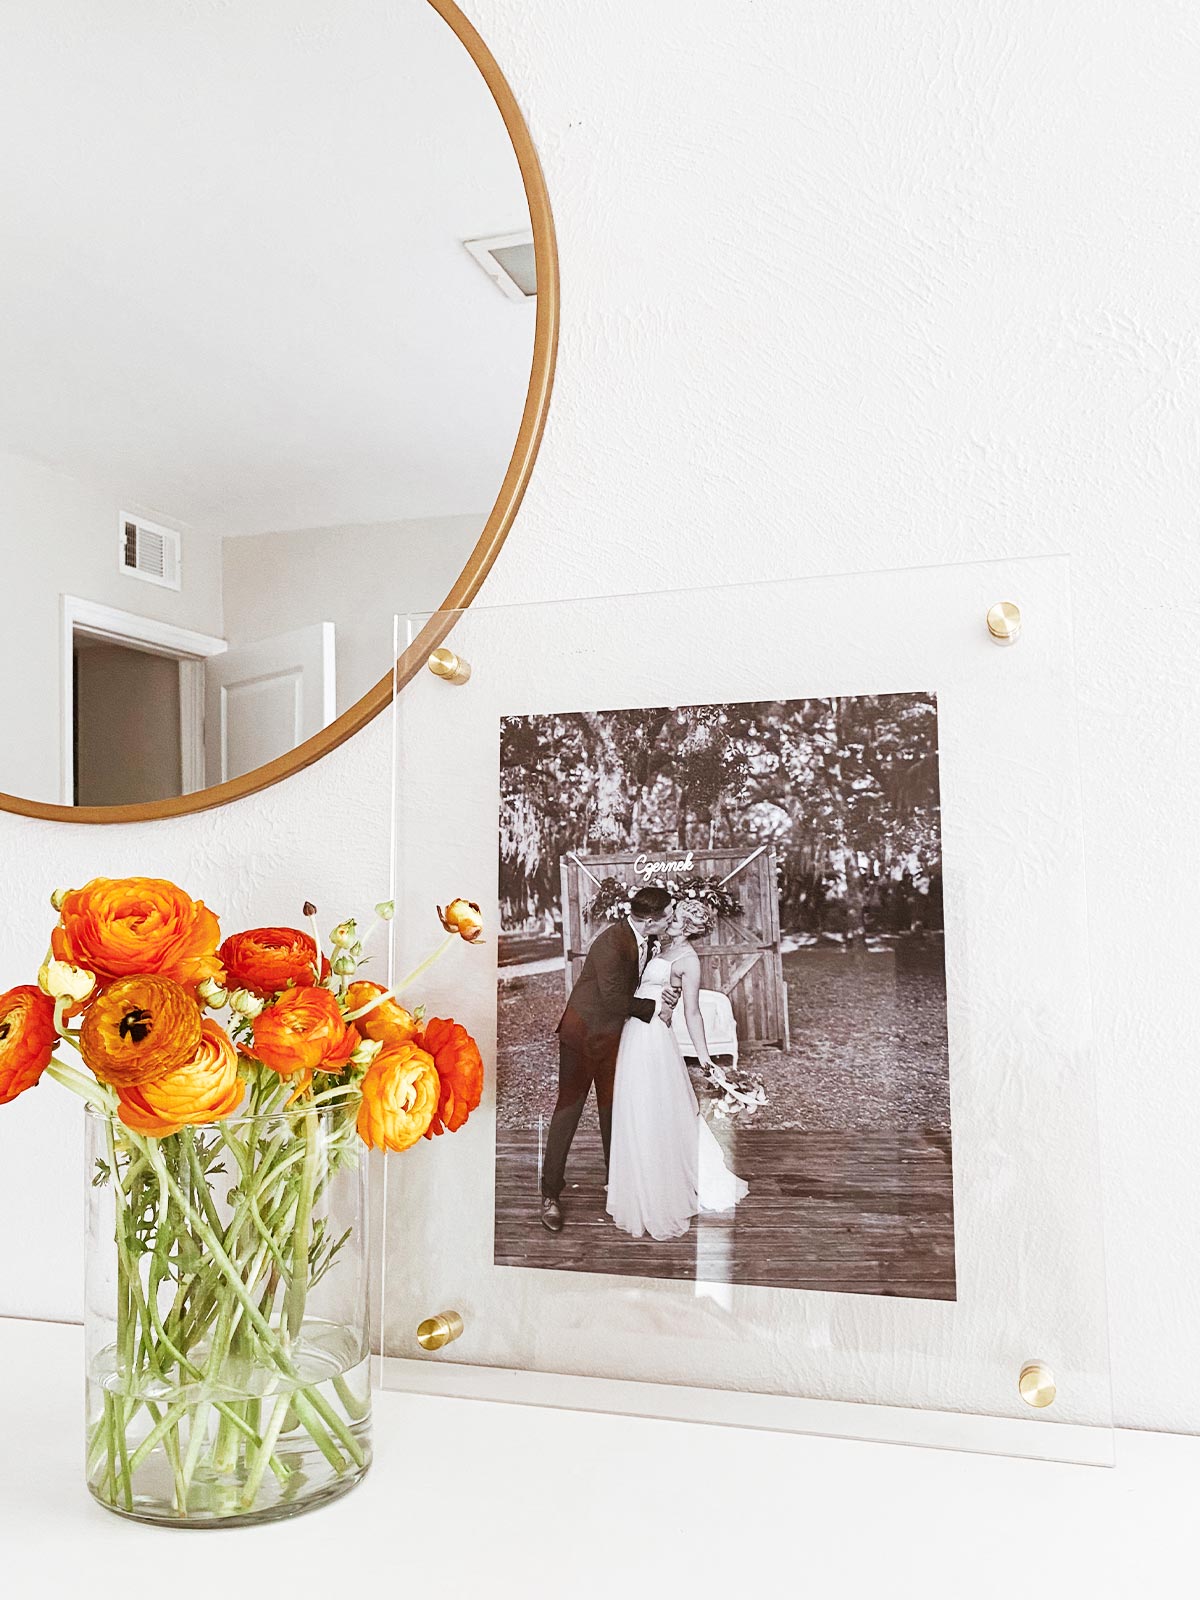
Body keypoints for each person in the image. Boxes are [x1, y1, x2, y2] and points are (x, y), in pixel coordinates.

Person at [606, 898, 748, 1241]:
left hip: (653, 1038)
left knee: (656, 1108)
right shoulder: (659, 947)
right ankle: (638, 1180)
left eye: (675, 917)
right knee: (636, 1107)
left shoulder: (689, 961)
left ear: (687, 926)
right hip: (634, 1032)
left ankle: (659, 1189)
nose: (667, 919)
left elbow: (693, 1012)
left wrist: (704, 1057)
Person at [540, 886, 680, 1233]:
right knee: (568, 1112)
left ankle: (618, 1187)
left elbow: (633, 986)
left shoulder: (647, 939)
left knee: (614, 1111)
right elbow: (616, 999)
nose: (672, 920)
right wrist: (655, 1007)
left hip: (616, 1037)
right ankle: (550, 1194)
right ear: (650, 921)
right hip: (582, 1038)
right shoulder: (609, 943)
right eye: (669, 916)